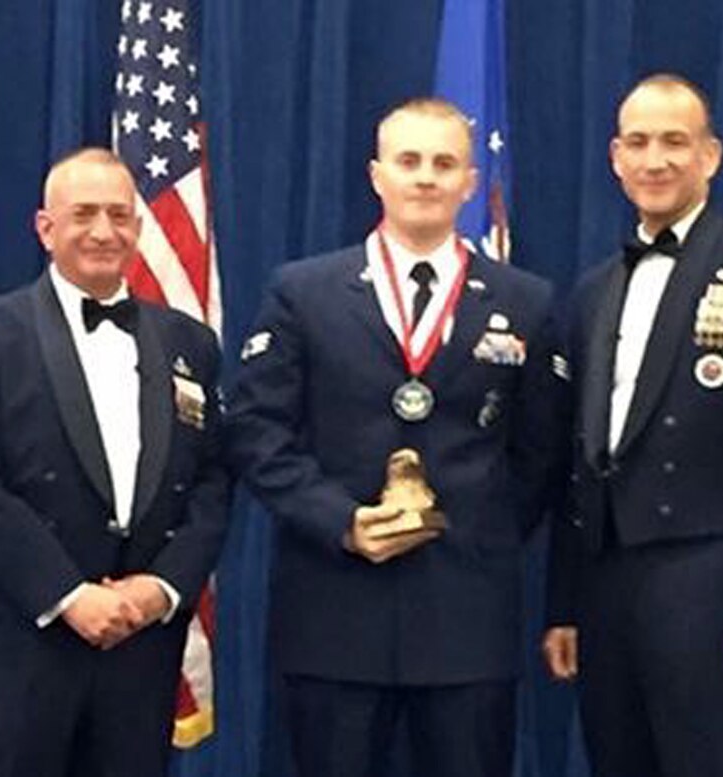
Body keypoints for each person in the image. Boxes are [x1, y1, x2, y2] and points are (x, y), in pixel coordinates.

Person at [226, 98, 567, 777]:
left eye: (444, 163)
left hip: (466, 617)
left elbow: (541, 452)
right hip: (335, 612)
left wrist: (480, 529)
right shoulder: (303, 292)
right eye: (408, 161)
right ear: (377, 174)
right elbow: (256, 432)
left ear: (470, 182)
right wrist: (342, 521)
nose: (425, 177)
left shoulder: (524, 300)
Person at [542, 74, 723, 777]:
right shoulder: (593, 289)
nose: (655, 160)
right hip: (608, 585)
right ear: (615, 157)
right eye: (638, 143)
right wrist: (565, 604)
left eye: (675, 142)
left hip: (712, 585)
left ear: (711, 156)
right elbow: (578, 462)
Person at [0, 148, 232, 777]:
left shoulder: (191, 344)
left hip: (139, 647)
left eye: (119, 215)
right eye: (83, 214)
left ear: (138, 227)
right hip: (22, 643)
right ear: (46, 228)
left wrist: (161, 588)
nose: (103, 231)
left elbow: (212, 480)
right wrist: (67, 595)